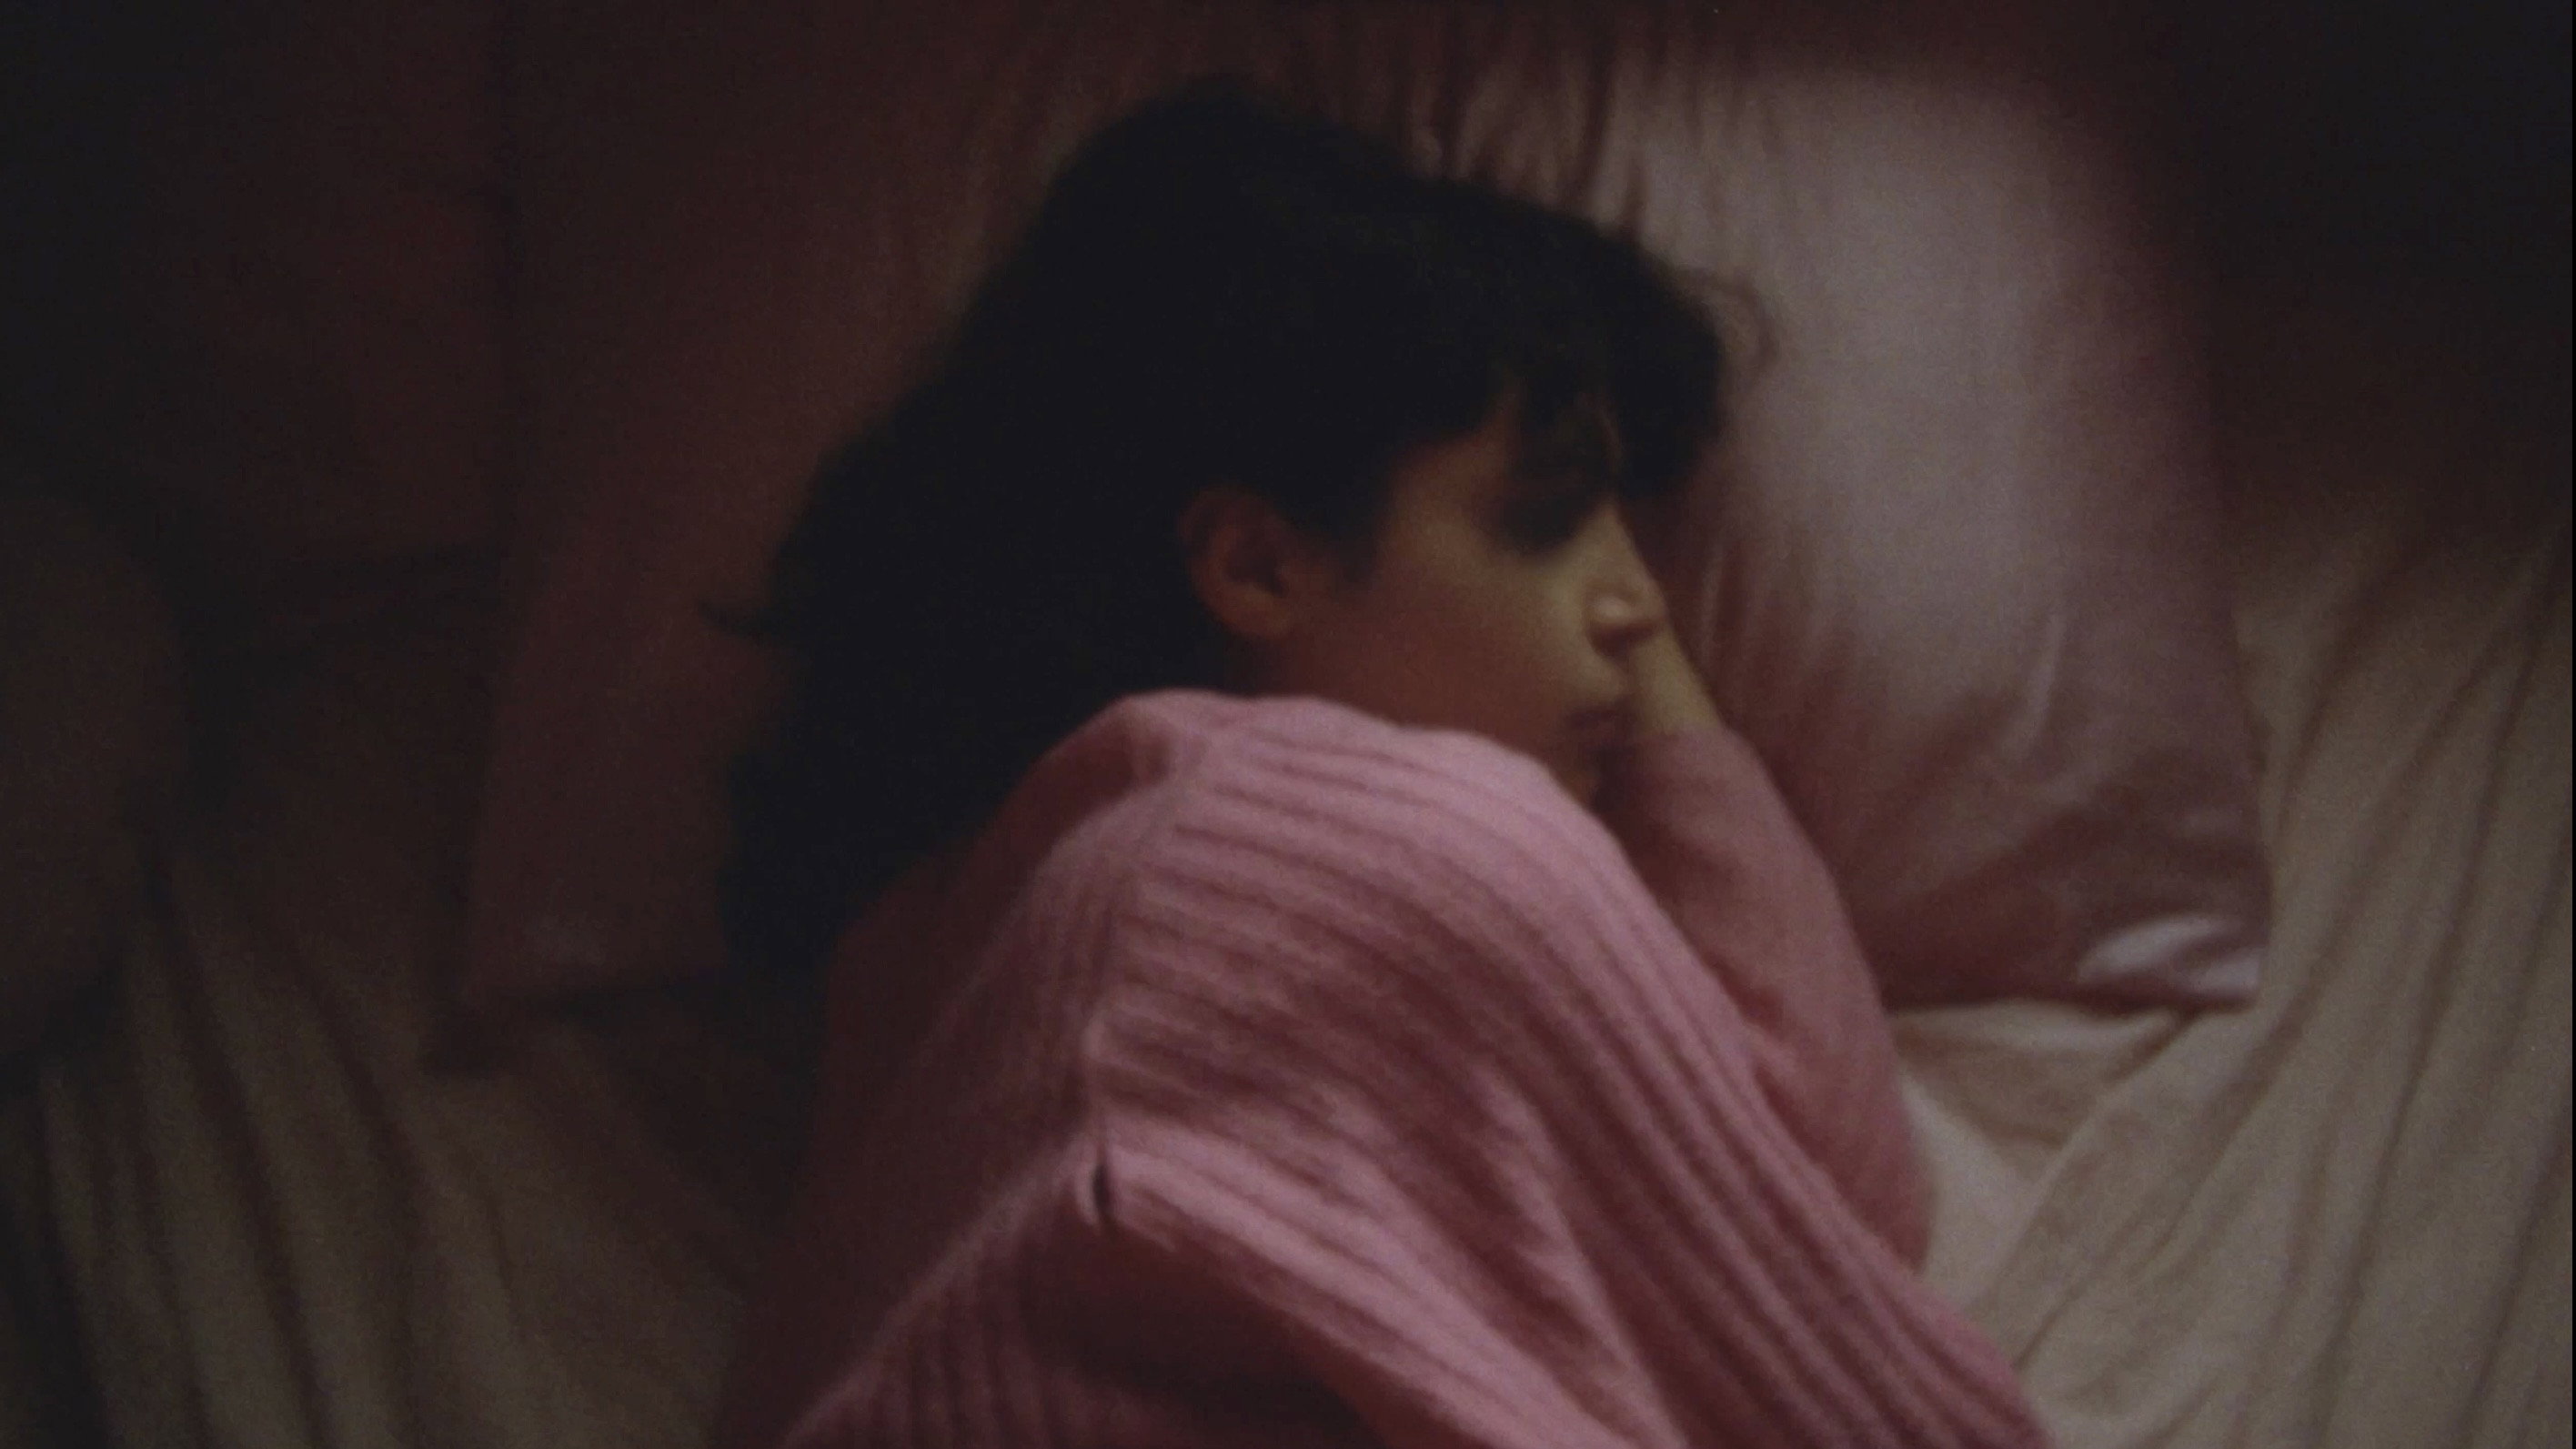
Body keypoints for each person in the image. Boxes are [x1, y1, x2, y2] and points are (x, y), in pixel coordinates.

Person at [711, 82, 2049, 1448]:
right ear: (1257, 563)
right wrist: (1655, 703)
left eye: (1628, 525)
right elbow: (1814, 1210)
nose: (1640, 603)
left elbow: (1761, 1201)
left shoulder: (935, 948)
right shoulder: (1399, 850)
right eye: (1548, 517)